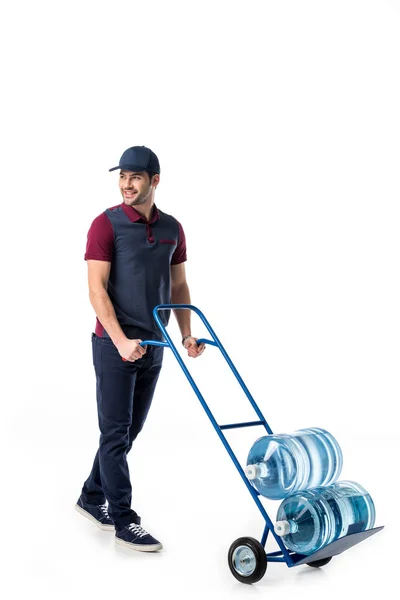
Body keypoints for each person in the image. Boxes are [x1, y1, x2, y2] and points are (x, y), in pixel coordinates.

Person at [75, 145, 205, 552]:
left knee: (129, 432)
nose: (126, 185)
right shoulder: (105, 225)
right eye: (122, 177)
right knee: (114, 433)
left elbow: (179, 285)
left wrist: (185, 333)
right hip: (114, 344)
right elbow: (96, 290)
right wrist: (119, 340)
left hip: (154, 343)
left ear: (155, 181)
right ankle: (124, 520)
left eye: (135, 177)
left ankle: (91, 497)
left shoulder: (173, 228)